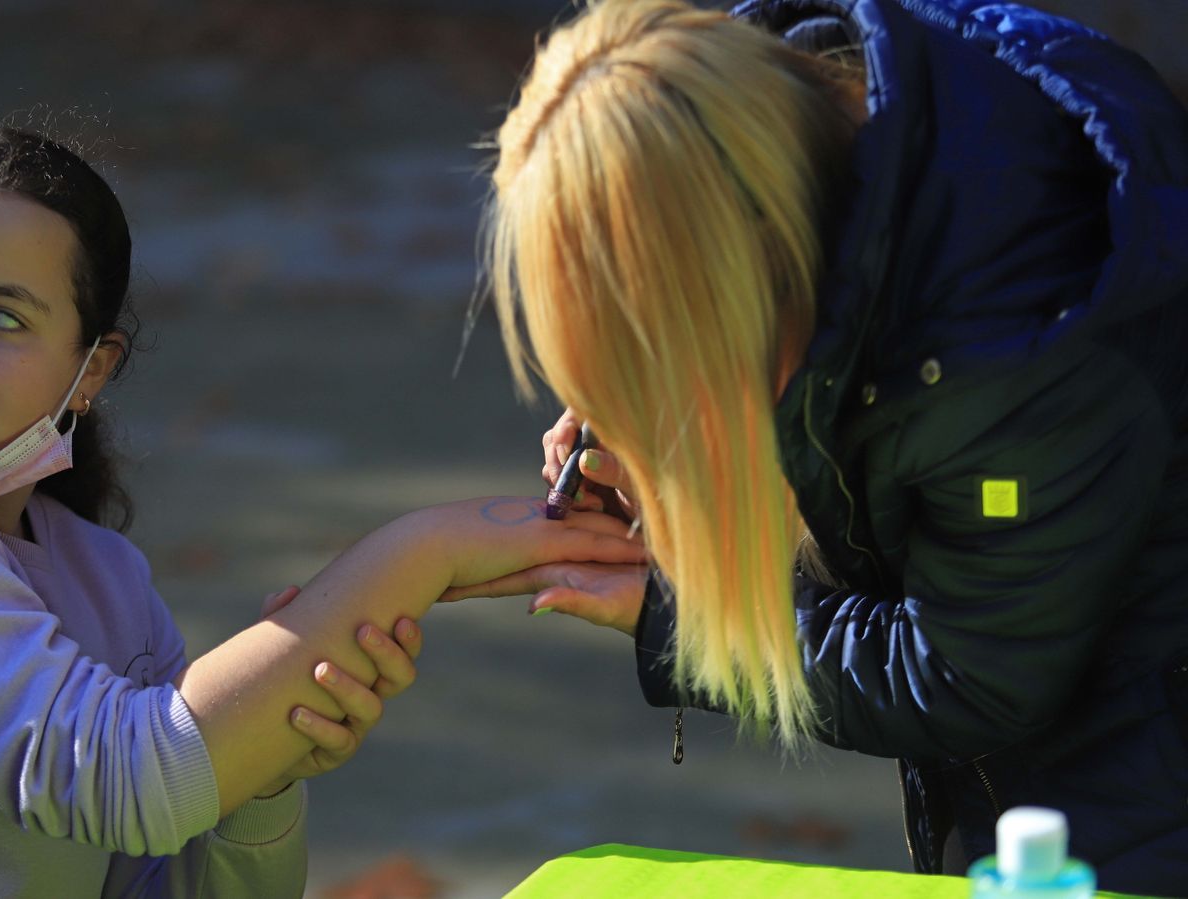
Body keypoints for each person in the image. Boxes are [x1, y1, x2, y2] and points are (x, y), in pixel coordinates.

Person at [0, 126, 645, 898]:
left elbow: (170, 880)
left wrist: (257, 769)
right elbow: (125, 777)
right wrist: (416, 552)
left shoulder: (99, 580)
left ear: (89, 366)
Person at [446, 0, 1188, 892]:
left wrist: (677, 612)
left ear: (728, 279)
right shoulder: (782, 132)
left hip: (1135, 792)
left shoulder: (1011, 356)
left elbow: (965, 673)